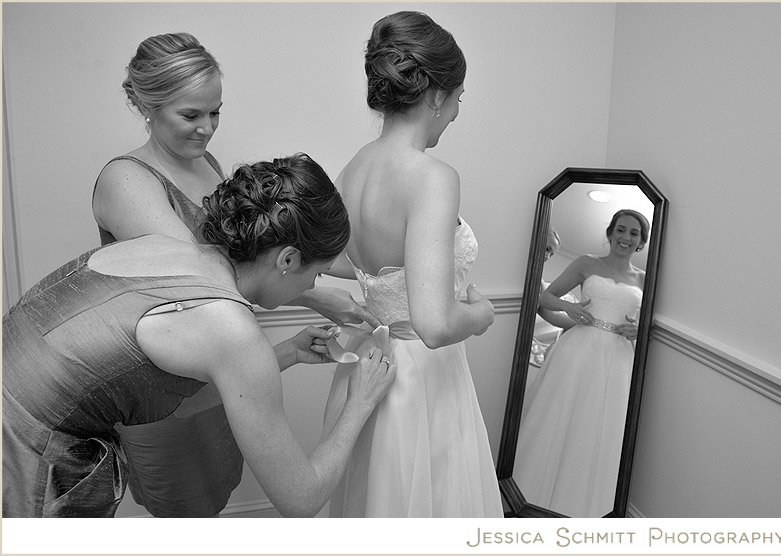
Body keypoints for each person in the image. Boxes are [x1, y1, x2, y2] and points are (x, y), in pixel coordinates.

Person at [3, 154, 396, 518]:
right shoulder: (231, 328)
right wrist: (358, 402)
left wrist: (290, 351)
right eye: (317, 273)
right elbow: (301, 498)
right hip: (24, 452)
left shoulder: (170, 251)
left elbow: (180, 404)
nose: (313, 283)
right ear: (287, 259)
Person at [91, 32, 375, 517]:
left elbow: (252, 256)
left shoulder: (207, 165)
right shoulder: (126, 181)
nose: (207, 129)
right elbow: (209, 279)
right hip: (166, 393)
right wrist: (316, 295)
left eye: (215, 112)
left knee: (215, 496)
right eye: (191, 114)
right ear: (146, 104)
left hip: (216, 382)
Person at [320, 11, 503, 517]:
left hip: (370, 366)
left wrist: (386, 293)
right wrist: (483, 313)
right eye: (459, 99)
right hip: (422, 375)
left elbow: (342, 262)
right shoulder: (431, 177)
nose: (458, 112)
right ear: (438, 95)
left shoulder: (354, 168)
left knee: (380, 500)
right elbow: (435, 323)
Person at [514, 209, 649, 517]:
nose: (626, 237)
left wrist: (638, 331)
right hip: (577, 350)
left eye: (634, 234)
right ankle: (525, 494)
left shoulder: (644, 279)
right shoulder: (587, 263)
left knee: (601, 428)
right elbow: (546, 298)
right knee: (558, 416)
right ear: (610, 232)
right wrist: (569, 310)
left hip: (618, 358)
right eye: (621, 230)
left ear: (641, 242)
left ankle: (584, 507)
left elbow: (650, 324)